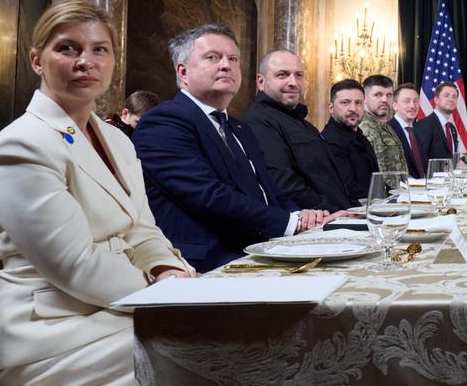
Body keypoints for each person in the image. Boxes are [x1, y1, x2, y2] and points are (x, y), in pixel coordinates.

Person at [0, 0, 193, 386]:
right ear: (37, 60)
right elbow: (75, 265)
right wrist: (164, 294)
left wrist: (169, 267)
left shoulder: (115, 138)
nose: (84, 62)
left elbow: (142, 227)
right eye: (67, 48)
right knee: (206, 348)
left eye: (100, 50)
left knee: (227, 334)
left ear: (114, 61)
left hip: (106, 313)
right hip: (43, 334)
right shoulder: (21, 144)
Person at [132, 24, 331, 272]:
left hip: (260, 247)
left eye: (233, 59)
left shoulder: (239, 128)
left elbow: (268, 191)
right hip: (205, 262)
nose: (226, 65)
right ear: (183, 72)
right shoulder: (164, 122)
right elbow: (208, 196)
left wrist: (307, 216)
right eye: (212, 57)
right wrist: (291, 222)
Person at [242, 49, 351, 212]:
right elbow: (284, 184)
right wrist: (331, 211)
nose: (293, 82)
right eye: (282, 75)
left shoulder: (296, 120)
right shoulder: (259, 120)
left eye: (299, 75)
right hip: (316, 224)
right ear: (261, 82)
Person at [322, 79, 380, 203]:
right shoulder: (330, 141)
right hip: (352, 214)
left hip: (373, 206)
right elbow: (349, 190)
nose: (353, 108)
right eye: (345, 103)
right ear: (331, 108)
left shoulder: (359, 135)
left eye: (358, 103)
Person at [358, 74, 409, 175]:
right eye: (378, 95)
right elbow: (377, 174)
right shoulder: (366, 127)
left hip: (400, 189)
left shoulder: (383, 125)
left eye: (389, 95)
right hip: (386, 190)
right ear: (365, 98)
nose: (385, 100)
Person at [413, 80, 465, 162]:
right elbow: (420, 159)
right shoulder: (424, 125)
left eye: (454, 96)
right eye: (446, 95)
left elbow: (451, 159)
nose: (451, 99)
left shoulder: (452, 128)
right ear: (436, 100)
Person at [388, 82, 429, 178]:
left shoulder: (415, 131)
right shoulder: (388, 130)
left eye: (415, 101)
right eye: (407, 101)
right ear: (395, 106)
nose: (413, 106)